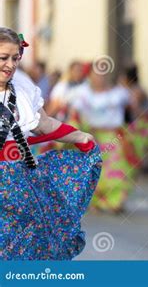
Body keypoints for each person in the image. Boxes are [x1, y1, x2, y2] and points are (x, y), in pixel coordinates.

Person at [0, 27, 101, 260]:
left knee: (35, 238)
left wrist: (79, 136)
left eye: (15, 58)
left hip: (20, 178)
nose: (10, 65)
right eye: (3, 58)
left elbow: (43, 124)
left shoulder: (23, 90)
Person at [69, 68, 133, 213]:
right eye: (96, 76)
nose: (100, 79)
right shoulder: (82, 94)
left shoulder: (118, 93)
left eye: (103, 76)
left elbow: (132, 107)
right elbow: (75, 114)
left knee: (116, 169)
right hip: (91, 136)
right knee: (94, 169)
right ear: (90, 77)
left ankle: (116, 202)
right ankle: (95, 202)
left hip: (113, 137)